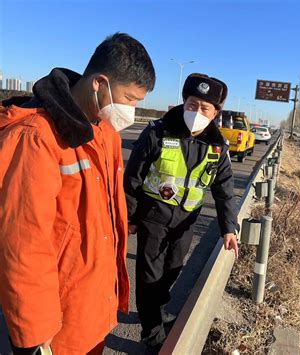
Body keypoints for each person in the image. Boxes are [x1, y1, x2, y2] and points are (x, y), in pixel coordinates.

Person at [0, 33, 155, 354]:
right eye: (130, 98)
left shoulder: (105, 133)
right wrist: (33, 333)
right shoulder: (35, 138)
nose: (132, 110)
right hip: (56, 320)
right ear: (100, 83)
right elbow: (21, 244)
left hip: (91, 307)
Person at [124, 73, 239, 350]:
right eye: (192, 103)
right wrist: (130, 216)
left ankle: (157, 310)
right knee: (149, 275)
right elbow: (133, 178)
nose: (196, 112)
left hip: (185, 222)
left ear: (215, 113)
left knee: (173, 268)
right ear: (184, 102)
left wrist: (228, 228)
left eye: (204, 108)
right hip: (152, 217)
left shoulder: (217, 147)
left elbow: (224, 190)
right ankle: (151, 331)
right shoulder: (157, 132)